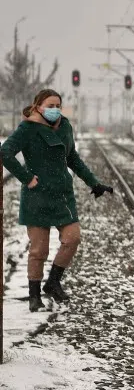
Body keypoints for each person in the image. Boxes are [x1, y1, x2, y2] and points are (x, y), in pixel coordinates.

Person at [1, 89, 113, 311]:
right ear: (38, 107)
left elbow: (72, 158)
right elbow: (5, 152)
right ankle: (34, 295)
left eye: (58, 105)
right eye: (50, 105)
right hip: (37, 196)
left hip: (62, 194)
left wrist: (94, 183)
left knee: (72, 238)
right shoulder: (27, 129)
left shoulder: (65, 126)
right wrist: (26, 178)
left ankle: (53, 282)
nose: (55, 110)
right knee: (38, 250)